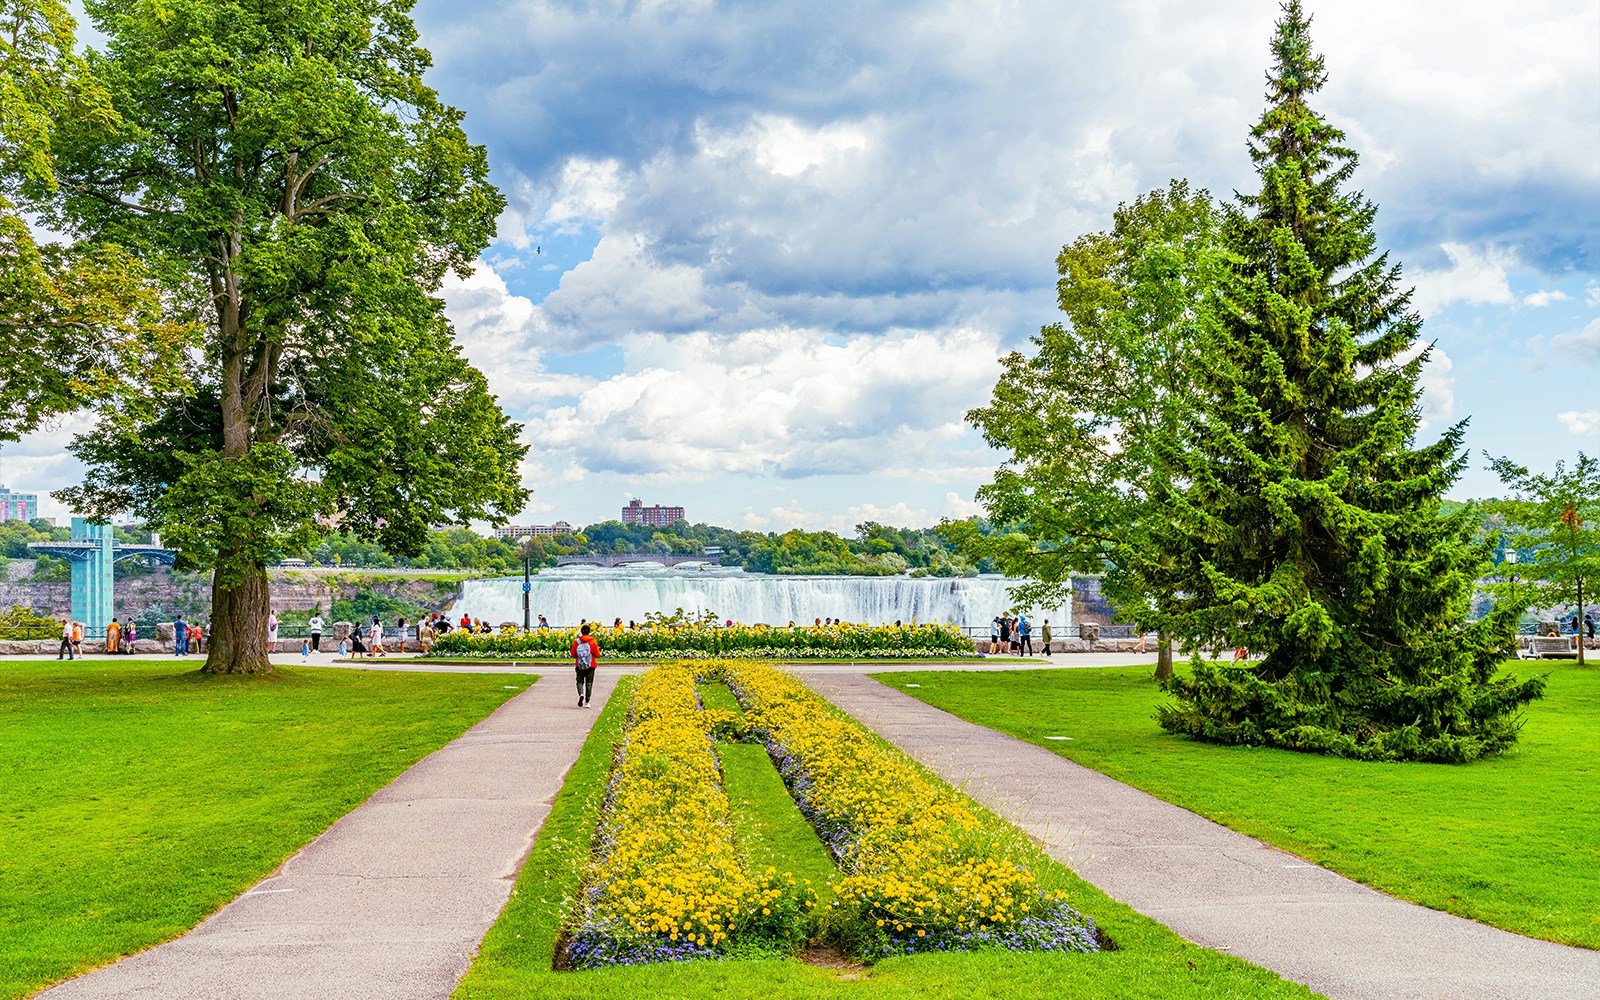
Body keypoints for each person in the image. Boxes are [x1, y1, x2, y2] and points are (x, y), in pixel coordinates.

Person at [571, 624, 600, 708]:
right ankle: (587, 702)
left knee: (579, 681)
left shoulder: (577, 642)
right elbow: (597, 654)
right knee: (589, 683)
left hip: (579, 665)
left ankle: (581, 694)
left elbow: (573, 654)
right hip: (591, 665)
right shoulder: (593, 641)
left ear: (581, 631)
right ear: (589, 631)